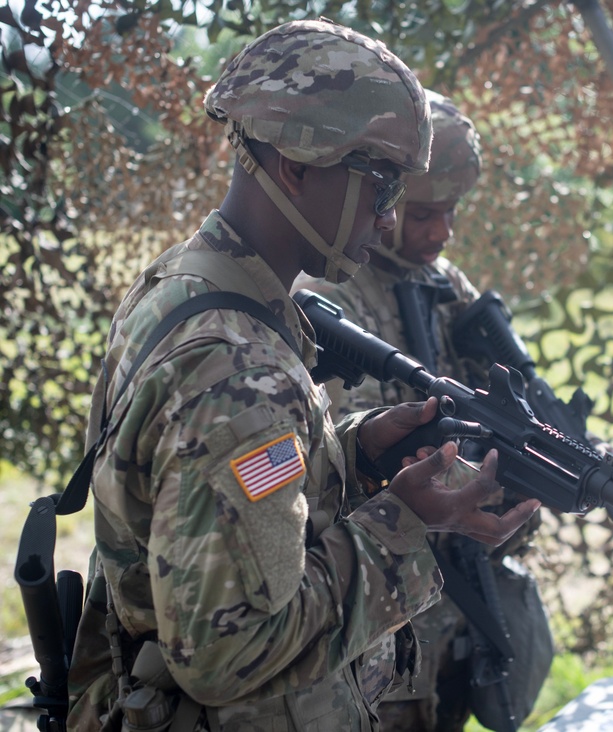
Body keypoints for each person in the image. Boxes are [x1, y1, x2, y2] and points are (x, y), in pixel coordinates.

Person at [65, 20, 540, 732]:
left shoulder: (190, 289)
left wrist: (354, 449)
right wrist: (406, 524)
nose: (386, 224)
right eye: (380, 186)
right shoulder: (233, 363)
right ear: (295, 166)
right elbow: (229, 651)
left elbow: (211, 504)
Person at [293, 91, 553, 732]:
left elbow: (502, 397)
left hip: (454, 607)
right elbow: (338, 460)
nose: (442, 232)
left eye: (452, 213)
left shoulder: (443, 283)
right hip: (372, 614)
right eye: (426, 214)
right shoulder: (327, 294)